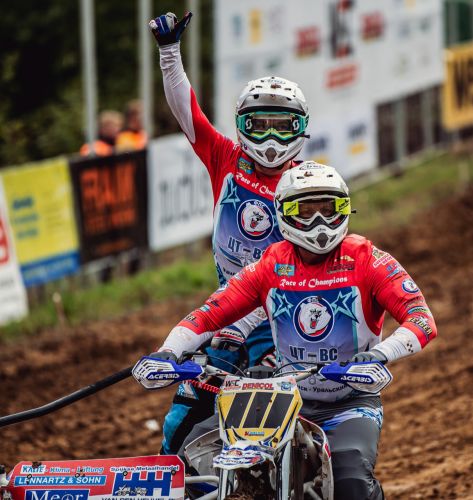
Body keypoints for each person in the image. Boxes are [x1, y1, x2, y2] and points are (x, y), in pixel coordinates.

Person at [150, 161, 438, 499]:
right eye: (306, 211)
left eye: (328, 209)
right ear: (284, 213)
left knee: (351, 483)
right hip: (282, 398)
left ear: (345, 209)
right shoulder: (271, 264)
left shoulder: (367, 259)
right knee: (195, 460)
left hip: (347, 403)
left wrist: (377, 355)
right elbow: (209, 314)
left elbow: (421, 319)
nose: (319, 222)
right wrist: (168, 351)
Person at [148, 11, 311, 455]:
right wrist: (169, 51)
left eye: (283, 125)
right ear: (243, 125)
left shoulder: (309, 185)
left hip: (286, 319)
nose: (271, 137)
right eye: (261, 124)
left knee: (291, 424)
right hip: (225, 311)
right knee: (181, 420)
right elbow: (188, 113)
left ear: (300, 128)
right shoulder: (225, 159)